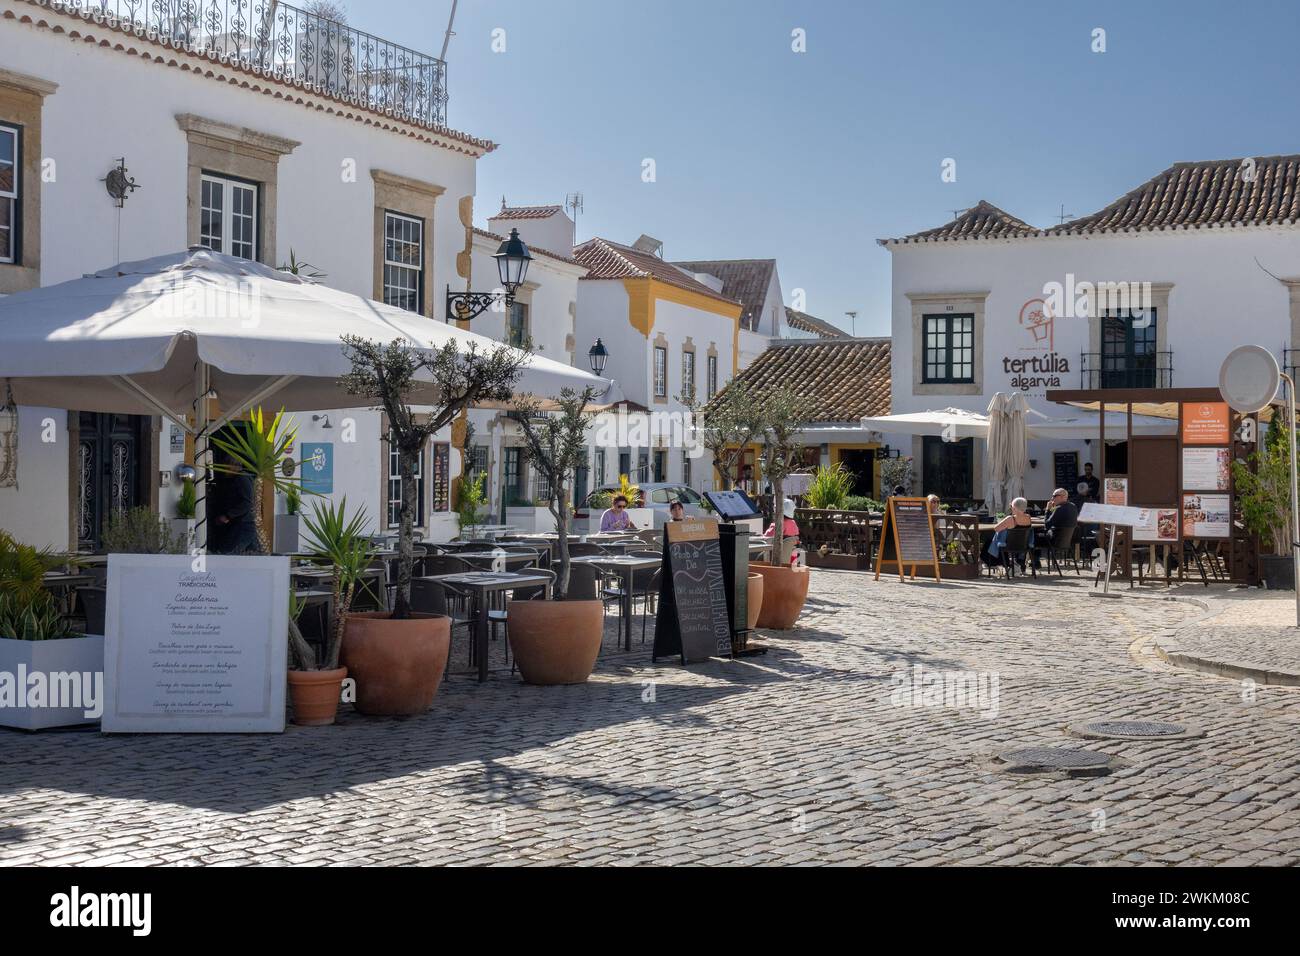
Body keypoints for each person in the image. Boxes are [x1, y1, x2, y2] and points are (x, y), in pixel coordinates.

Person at [981, 496, 1033, 568]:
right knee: (995, 539)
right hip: (1023, 546)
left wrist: (1002, 521)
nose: (1011, 508)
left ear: (1015, 507)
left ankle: (995, 563)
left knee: (989, 541)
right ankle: (1006, 563)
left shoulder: (1010, 519)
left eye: (1011, 506)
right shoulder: (1028, 517)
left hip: (1008, 546)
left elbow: (996, 528)